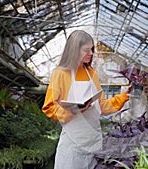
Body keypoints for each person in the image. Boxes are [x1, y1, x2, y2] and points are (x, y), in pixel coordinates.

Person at [42, 30, 130, 169]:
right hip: (72, 146)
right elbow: (49, 107)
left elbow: (102, 106)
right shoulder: (61, 73)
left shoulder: (92, 74)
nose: (91, 53)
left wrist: (125, 96)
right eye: (86, 50)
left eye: (92, 49)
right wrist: (74, 109)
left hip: (93, 142)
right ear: (74, 50)